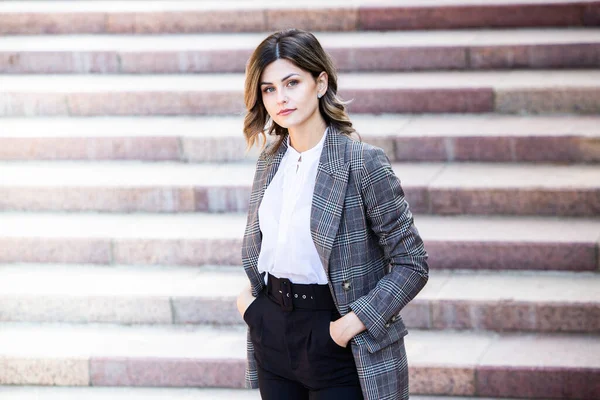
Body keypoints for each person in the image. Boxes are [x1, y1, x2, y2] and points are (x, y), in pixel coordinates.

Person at [237, 29, 429, 400]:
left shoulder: (361, 162)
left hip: (338, 338)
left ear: (320, 82)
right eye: (269, 89)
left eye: (292, 82)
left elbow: (412, 262)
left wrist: (347, 327)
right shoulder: (269, 163)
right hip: (272, 333)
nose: (281, 97)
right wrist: (250, 307)